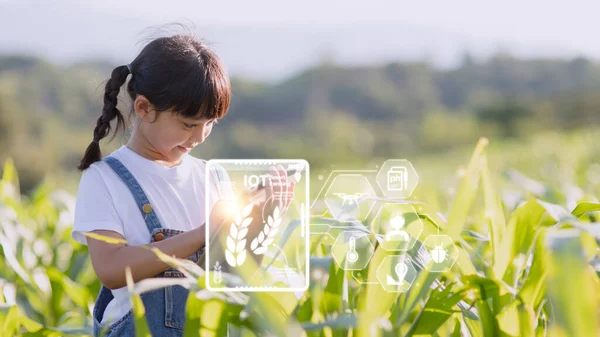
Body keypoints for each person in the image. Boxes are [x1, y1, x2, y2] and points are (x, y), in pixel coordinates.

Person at [71, 33, 294, 337]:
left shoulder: (211, 177)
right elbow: (111, 269)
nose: (201, 136)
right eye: (189, 124)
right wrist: (205, 233)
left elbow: (228, 278)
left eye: (210, 123)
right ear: (144, 108)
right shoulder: (105, 179)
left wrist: (259, 224)